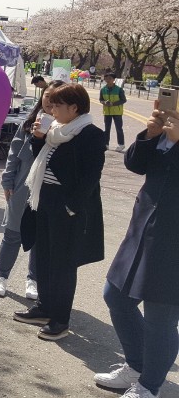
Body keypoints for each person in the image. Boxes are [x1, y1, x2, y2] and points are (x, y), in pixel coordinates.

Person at [93, 102, 179, 398]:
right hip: (143, 228)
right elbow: (135, 164)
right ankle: (136, 364)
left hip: (173, 241)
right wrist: (151, 134)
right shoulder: (166, 131)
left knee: (161, 316)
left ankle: (149, 386)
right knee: (115, 295)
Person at [14, 83, 105, 341]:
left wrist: (71, 207)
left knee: (62, 265)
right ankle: (44, 308)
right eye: (51, 104)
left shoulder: (90, 134)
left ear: (74, 108)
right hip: (44, 201)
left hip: (66, 208)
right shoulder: (55, 130)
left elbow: (90, 177)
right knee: (43, 257)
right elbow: (42, 160)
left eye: (57, 105)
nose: (51, 109)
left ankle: (60, 319)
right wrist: (38, 139)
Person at [0, 81, 66, 298]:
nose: (50, 102)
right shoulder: (28, 124)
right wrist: (8, 181)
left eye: (56, 98)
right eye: (47, 96)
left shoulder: (66, 129)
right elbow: (14, 156)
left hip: (49, 190)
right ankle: (1, 276)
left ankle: (33, 280)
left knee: (40, 237)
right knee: (13, 233)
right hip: (22, 186)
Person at [100, 72, 127, 151]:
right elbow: (101, 99)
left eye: (110, 78)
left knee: (119, 128)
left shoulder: (119, 89)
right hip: (107, 112)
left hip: (117, 112)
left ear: (114, 79)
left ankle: (121, 144)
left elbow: (123, 100)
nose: (108, 80)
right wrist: (104, 102)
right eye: (106, 78)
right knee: (107, 129)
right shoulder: (103, 89)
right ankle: (106, 144)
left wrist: (113, 104)